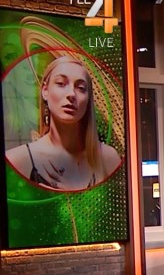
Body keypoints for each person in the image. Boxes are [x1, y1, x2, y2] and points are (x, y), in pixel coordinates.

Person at [5, 56, 120, 190]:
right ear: (45, 91)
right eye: (61, 83)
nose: (71, 94)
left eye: (81, 88)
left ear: (88, 99)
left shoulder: (108, 158)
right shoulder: (17, 160)